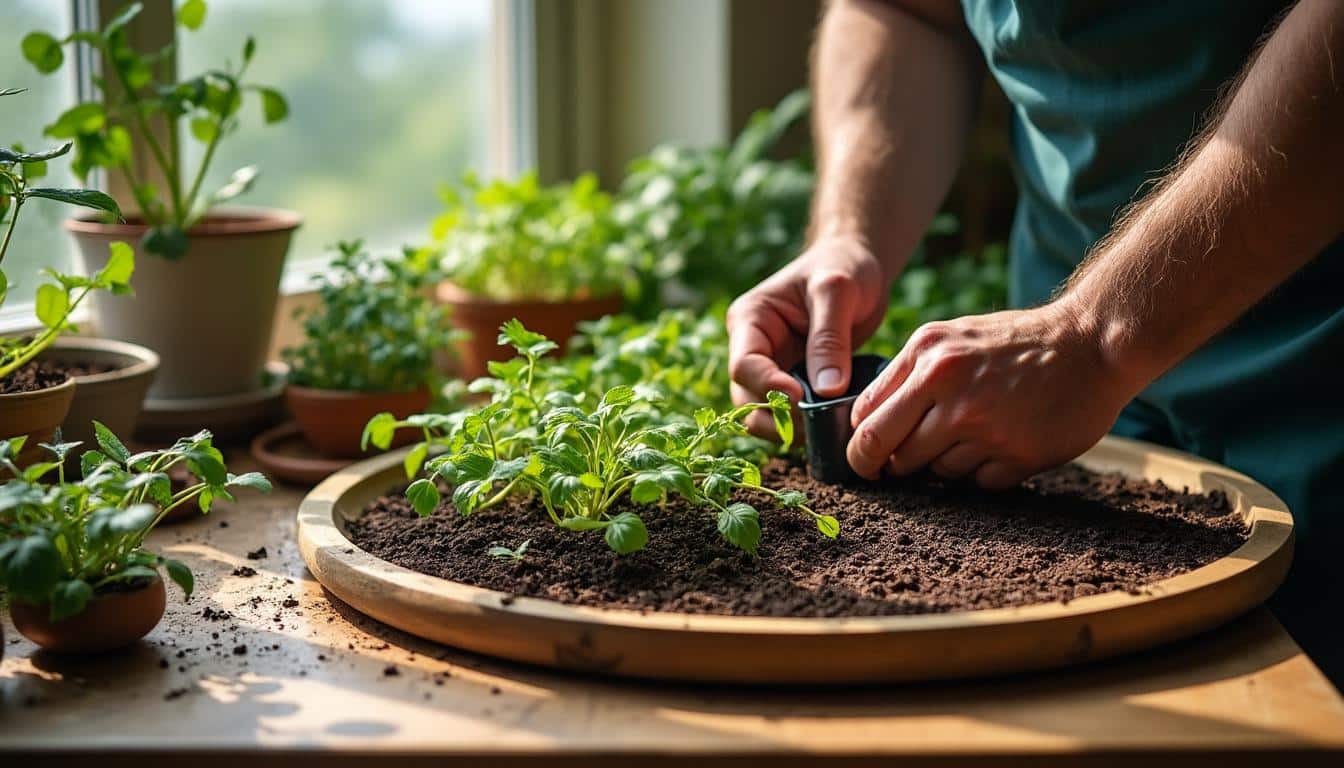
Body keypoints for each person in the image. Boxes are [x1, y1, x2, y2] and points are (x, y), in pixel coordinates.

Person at [727, 0, 1343, 682]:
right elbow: (907, 11)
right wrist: (850, 234)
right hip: (1054, 384)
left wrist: (1097, 337)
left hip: (1312, 376)